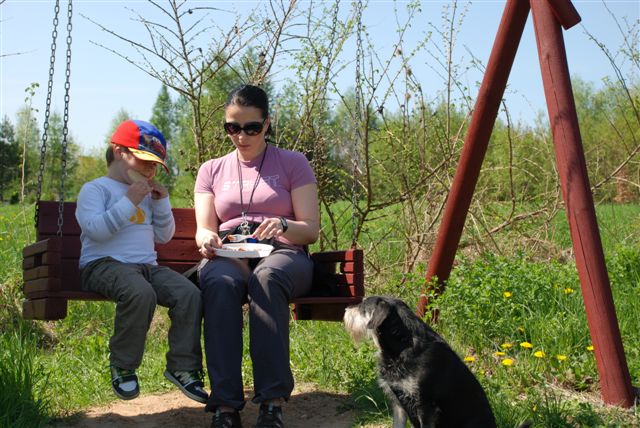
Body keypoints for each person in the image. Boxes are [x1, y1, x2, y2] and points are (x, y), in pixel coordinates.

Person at [194, 85, 320, 428]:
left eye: (251, 127)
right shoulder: (211, 170)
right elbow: (204, 228)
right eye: (232, 128)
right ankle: (225, 406)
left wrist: (282, 224)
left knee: (268, 278)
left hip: (283, 251)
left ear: (267, 124)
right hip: (229, 250)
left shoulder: (293, 163)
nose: (241, 136)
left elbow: (310, 230)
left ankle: (272, 403)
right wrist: (206, 239)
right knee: (219, 283)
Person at [76, 120, 208, 404]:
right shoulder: (95, 189)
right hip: (102, 264)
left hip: (147, 267)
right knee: (140, 292)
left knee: (189, 294)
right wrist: (129, 201)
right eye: (144, 160)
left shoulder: (146, 194)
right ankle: (123, 365)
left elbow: (164, 236)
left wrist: (161, 203)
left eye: (155, 165)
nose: (150, 170)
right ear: (119, 151)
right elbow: (95, 230)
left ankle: (183, 368)